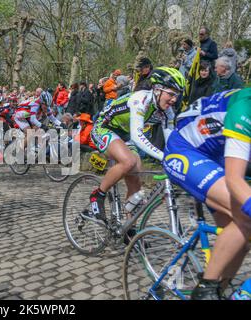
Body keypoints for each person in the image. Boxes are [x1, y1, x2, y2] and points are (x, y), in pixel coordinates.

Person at [161, 88, 251, 300]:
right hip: (185, 151)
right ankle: (204, 290)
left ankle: (219, 290)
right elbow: (235, 180)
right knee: (245, 218)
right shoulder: (245, 107)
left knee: (243, 236)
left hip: (217, 153)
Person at [89, 67, 185, 241]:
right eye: (171, 94)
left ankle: (128, 229)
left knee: (136, 182)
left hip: (124, 135)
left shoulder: (167, 112)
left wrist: (178, 158)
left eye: (177, 95)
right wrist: (163, 157)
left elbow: (171, 142)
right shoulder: (140, 100)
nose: (174, 99)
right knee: (128, 161)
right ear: (157, 89)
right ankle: (98, 194)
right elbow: (138, 136)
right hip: (104, 127)